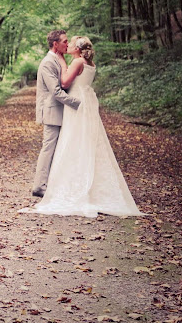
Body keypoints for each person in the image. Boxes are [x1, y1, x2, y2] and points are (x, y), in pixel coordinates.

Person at [21, 36, 144, 217]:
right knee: (79, 142)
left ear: (78, 49)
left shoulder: (77, 61)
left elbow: (63, 83)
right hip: (81, 104)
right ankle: (54, 184)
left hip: (75, 105)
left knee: (72, 143)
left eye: (70, 43)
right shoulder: (88, 63)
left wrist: (63, 64)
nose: (68, 45)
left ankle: (66, 185)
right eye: (65, 41)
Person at [31, 30, 81, 198]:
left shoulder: (58, 60)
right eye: (65, 41)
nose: (67, 44)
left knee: (57, 149)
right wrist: (78, 104)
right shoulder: (47, 63)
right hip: (52, 111)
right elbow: (56, 92)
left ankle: (51, 183)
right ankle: (39, 186)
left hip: (60, 111)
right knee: (48, 148)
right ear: (55, 44)